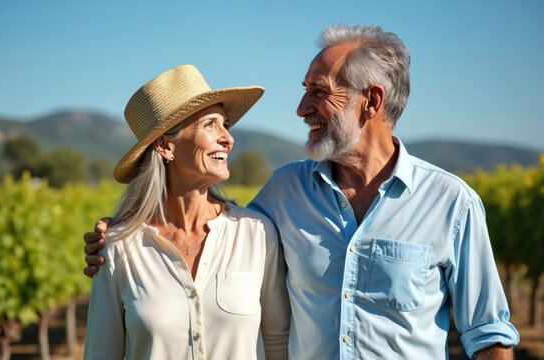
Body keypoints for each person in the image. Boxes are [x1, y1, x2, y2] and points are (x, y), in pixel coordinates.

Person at [84, 25, 519, 359]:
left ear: (370, 101)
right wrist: (119, 234)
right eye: (304, 90)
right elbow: (212, 231)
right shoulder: (284, 193)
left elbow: (489, 334)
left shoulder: (451, 203)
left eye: (319, 92)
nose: (301, 108)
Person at [82, 64, 290, 360]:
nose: (227, 138)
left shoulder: (256, 233)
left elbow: (277, 344)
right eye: (210, 125)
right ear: (166, 146)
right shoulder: (118, 246)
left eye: (225, 125)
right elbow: (101, 353)